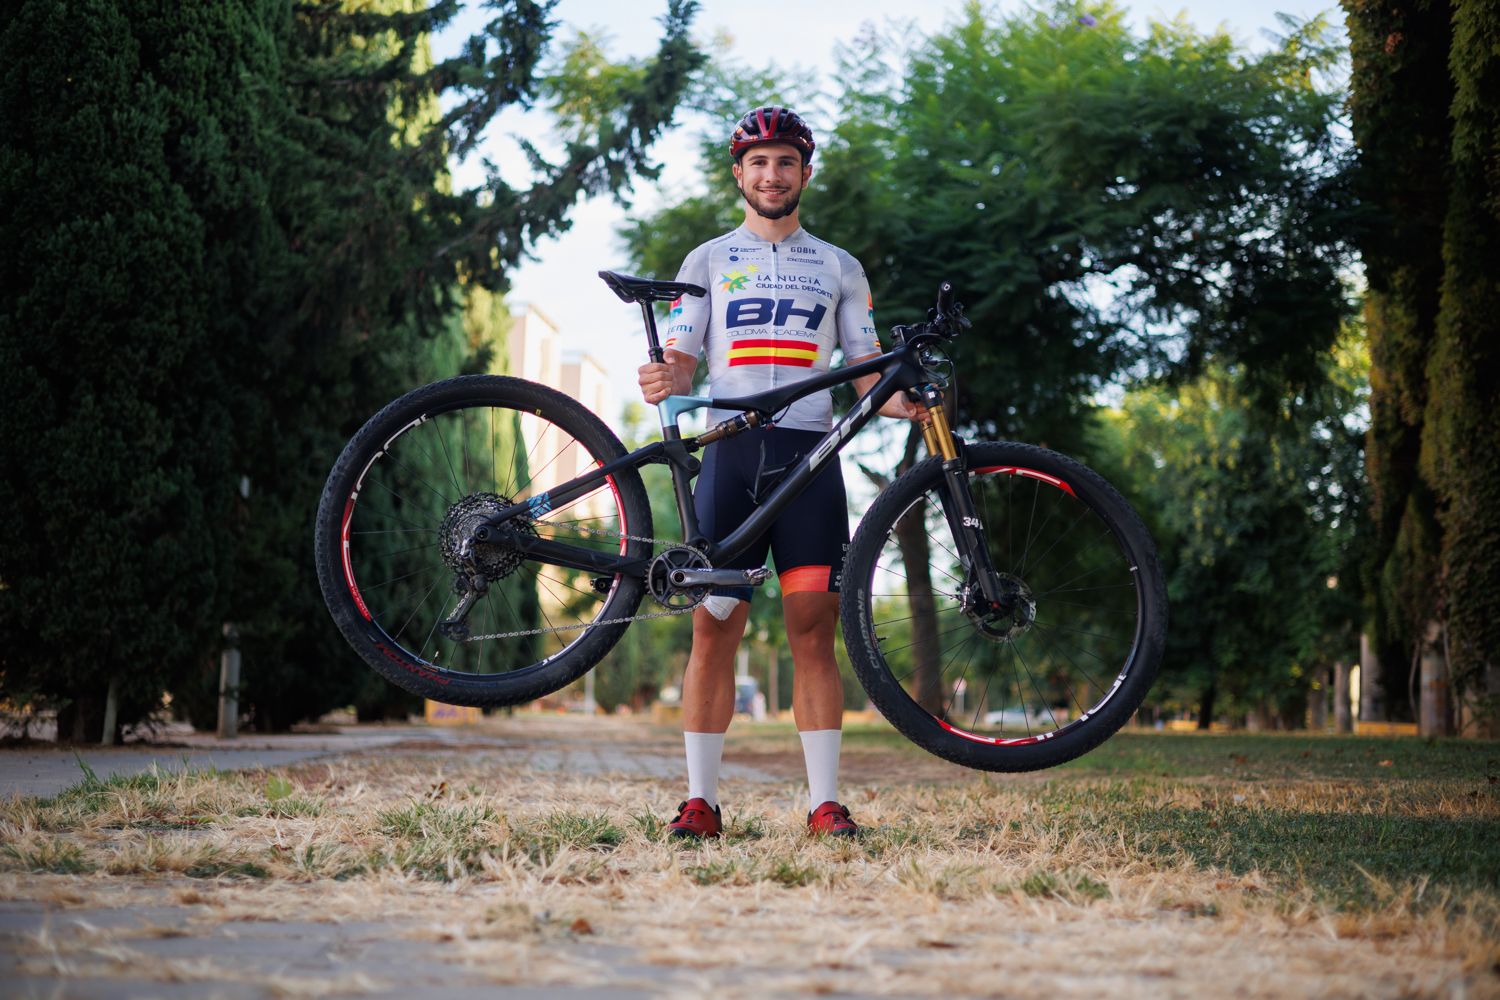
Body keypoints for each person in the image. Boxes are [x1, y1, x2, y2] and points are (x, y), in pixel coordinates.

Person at [636, 106, 917, 839]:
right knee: (714, 630)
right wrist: (663, 375)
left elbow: (863, 371)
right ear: (739, 175)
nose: (772, 174)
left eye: (785, 161)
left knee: (812, 630)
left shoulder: (838, 266)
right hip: (730, 456)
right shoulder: (706, 260)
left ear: (804, 173)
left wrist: (905, 405)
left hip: (810, 458)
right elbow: (683, 357)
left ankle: (824, 802)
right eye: (758, 162)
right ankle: (701, 801)